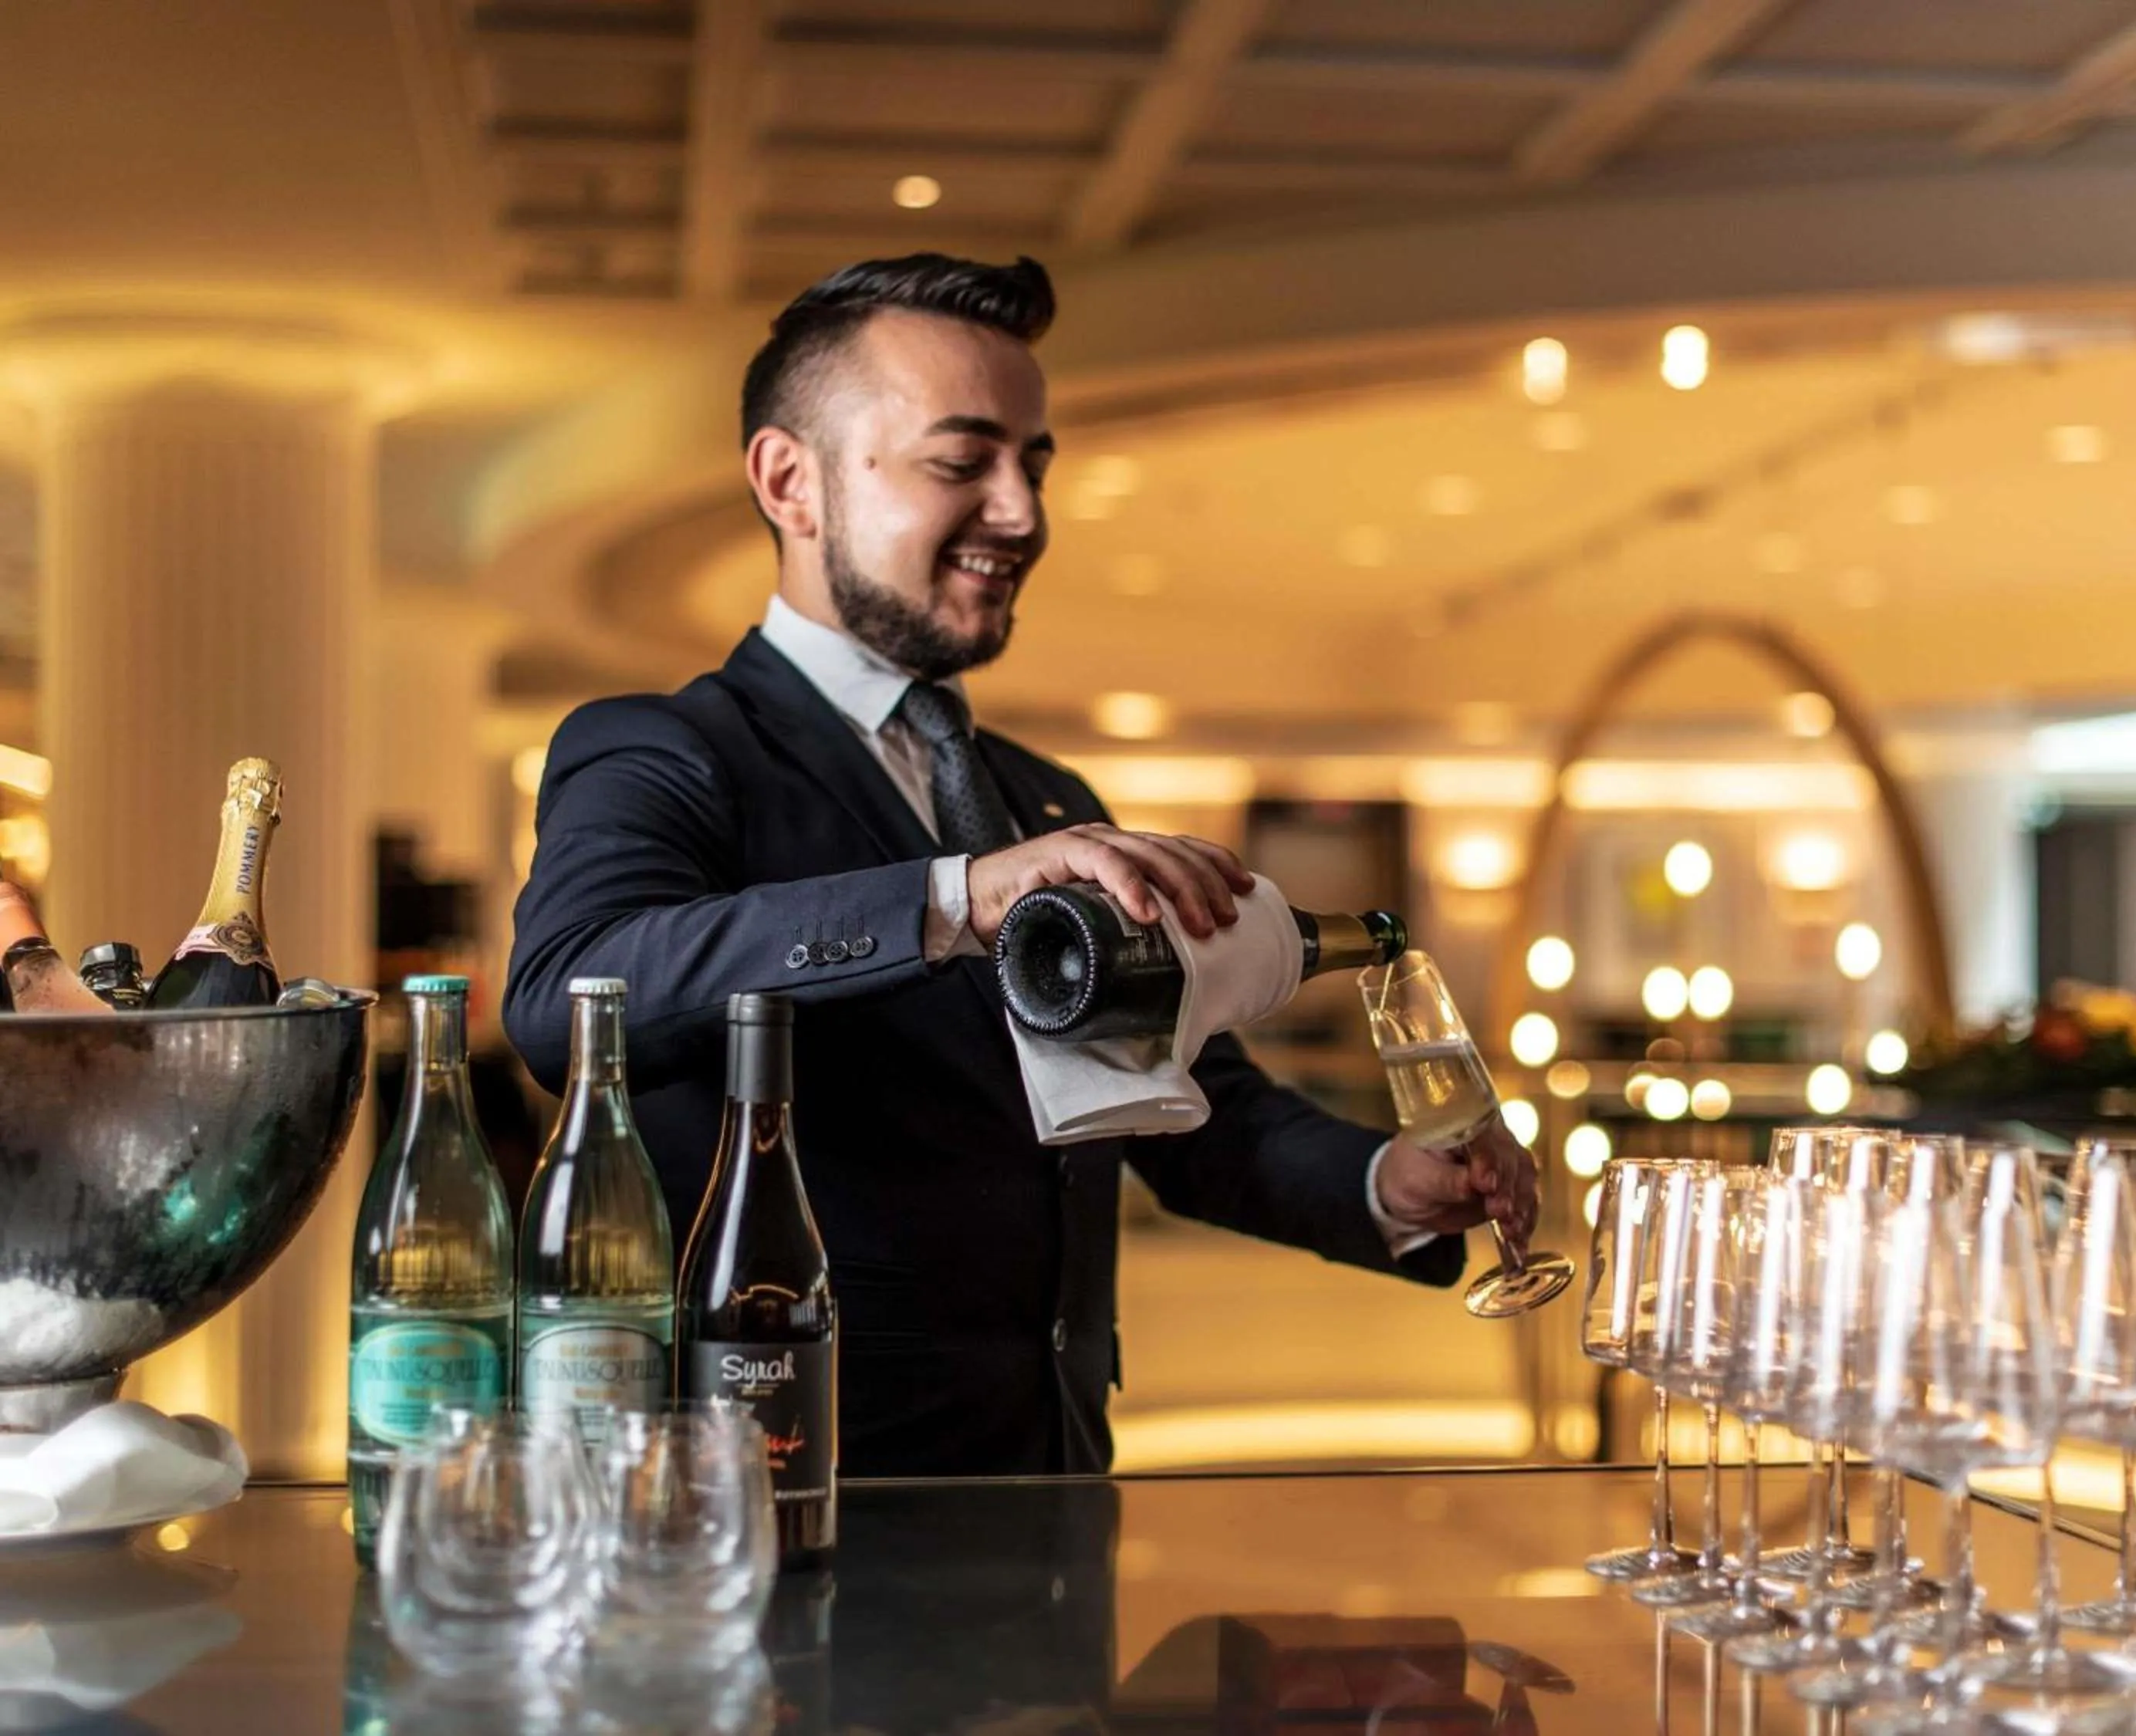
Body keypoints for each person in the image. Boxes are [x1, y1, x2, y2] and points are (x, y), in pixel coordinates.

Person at [504, 253, 1539, 1478]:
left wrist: (1383, 1179)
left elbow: (1194, 1108)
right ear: (793, 482)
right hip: (781, 1500)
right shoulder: (665, 748)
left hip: (1051, 1490)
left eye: (1033, 464)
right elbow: (569, 997)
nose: (1022, 514)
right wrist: (956, 897)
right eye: (962, 462)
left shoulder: (1049, 798)